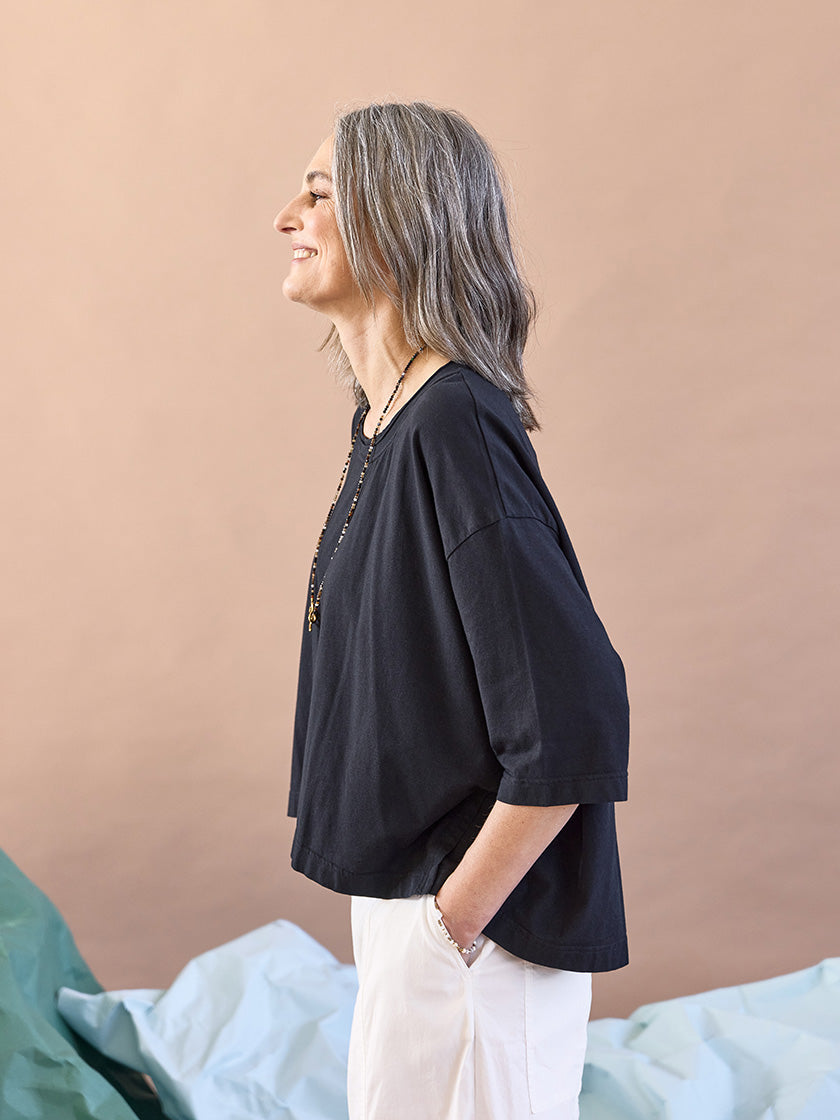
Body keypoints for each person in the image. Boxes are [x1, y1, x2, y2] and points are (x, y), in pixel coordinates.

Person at [273, 100, 630, 1120]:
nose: (287, 216)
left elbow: (575, 716)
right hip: (422, 919)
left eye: (320, 193)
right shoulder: (388, 423)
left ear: (396, 220)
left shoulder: (452, 424)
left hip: (474, 936)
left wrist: (450, 927)